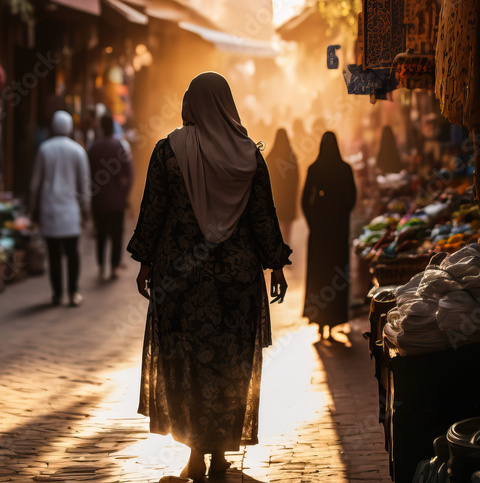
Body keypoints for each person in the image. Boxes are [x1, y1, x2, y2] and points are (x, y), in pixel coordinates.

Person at [127, 72, 291, 482]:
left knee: (184, 365)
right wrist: (275, 266)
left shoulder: (169, 152)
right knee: (229, 366)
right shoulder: (249, 157)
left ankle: (195, 454)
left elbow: (153, 210)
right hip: (235, 283)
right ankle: (218, 455)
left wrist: (145, 263)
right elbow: (263, 217)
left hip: (180, 279)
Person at [30, 111, 91, 307]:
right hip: (71, 210)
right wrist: (86, 209)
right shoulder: (78, 151)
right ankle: (73, 293)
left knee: (54, 254)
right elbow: (85, 184)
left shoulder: (44, 149)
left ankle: (57, 294)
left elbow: (34, 185)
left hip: (49, 209)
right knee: (72, 253)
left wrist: (33, 210)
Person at [301, 131, 356, 341]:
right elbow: (352, 196)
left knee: (319, 273)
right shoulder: (345, 169)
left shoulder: (314, 169)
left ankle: (319, 322)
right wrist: (343, 214)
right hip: (338, 228)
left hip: (319, 229)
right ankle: (334, 320)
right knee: (336, 272)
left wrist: (312, 221)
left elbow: (305, 200)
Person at [88, 113, 134, 280]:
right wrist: (125, 195)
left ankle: (101, 266)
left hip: (98, 200)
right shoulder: (120, 146)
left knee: (101, 233)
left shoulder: (93, 148)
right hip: (117, 200)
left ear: (101, 127)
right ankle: (115, 266)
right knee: (116, 233)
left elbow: (88, 175)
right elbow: (130, 174)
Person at [265, 128, 299, 243]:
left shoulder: (270, 157)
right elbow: (296, 179)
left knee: (275, 222)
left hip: (275, 197)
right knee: (287, 226)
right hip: (288, 197)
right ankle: (286, 244)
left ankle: (276, 245)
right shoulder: (292, 157)